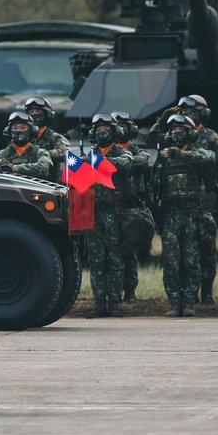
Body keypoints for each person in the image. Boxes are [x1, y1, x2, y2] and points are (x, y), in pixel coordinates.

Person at [152, 114, 214, 317]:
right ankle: (174, 302)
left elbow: (209, 157)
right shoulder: (163, 156)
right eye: (174, 129)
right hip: (170, 214)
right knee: (171, 261)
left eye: (180, 129)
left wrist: (180, 155)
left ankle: (189, 302)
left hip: (191, 214)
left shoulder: (196, 153)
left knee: (190, 259)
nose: (176, 132)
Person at [85, 113, 133, 318]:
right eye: (99, 129)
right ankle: (99, 304)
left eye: (106, 128)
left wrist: (98, 162)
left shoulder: (123, 153)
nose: (102, 132)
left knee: (114, 259)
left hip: (114, 212)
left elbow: (123, 164)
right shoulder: (89, 155)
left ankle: (114, 303)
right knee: (96, 260)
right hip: (93, 213)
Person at [112, 111, 155, 301]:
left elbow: (143, 161)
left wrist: (119, 161)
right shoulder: (105, 151)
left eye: (123, 125)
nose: (120, 129)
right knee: (112, 253)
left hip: (130, 208)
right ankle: (112, 293)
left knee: (129, 253)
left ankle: (129, 293)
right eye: (116, 125)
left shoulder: (135, 151)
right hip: (110, 207)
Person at [0, 112, 53, 179]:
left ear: (31, 131)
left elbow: (43, 169)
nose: (19, 131)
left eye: (23, 127)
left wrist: (13, 168)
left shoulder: (41, 153)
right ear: (9, 131)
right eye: (15, 128)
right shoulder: (1, 154)